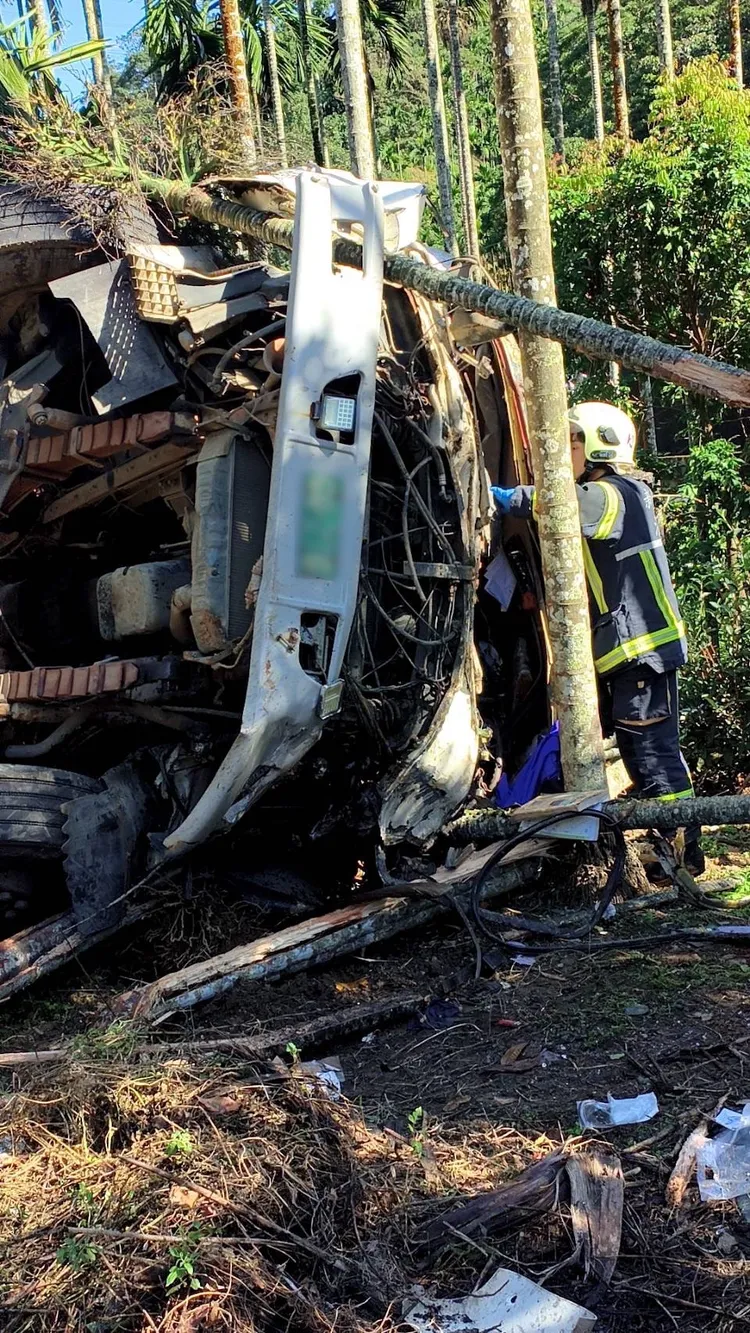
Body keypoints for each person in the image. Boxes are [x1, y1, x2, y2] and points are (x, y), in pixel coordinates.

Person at [491, 400, 703, 873]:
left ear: (598, 443)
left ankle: (681, 850)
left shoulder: (613, 493)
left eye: (571, 440)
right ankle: (668, 846)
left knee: (651, 751)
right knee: (634, 748)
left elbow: (563, 505)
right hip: (628, 649)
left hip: (640, 647)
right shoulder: (618, 493)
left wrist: (504, 499)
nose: (563, 450)